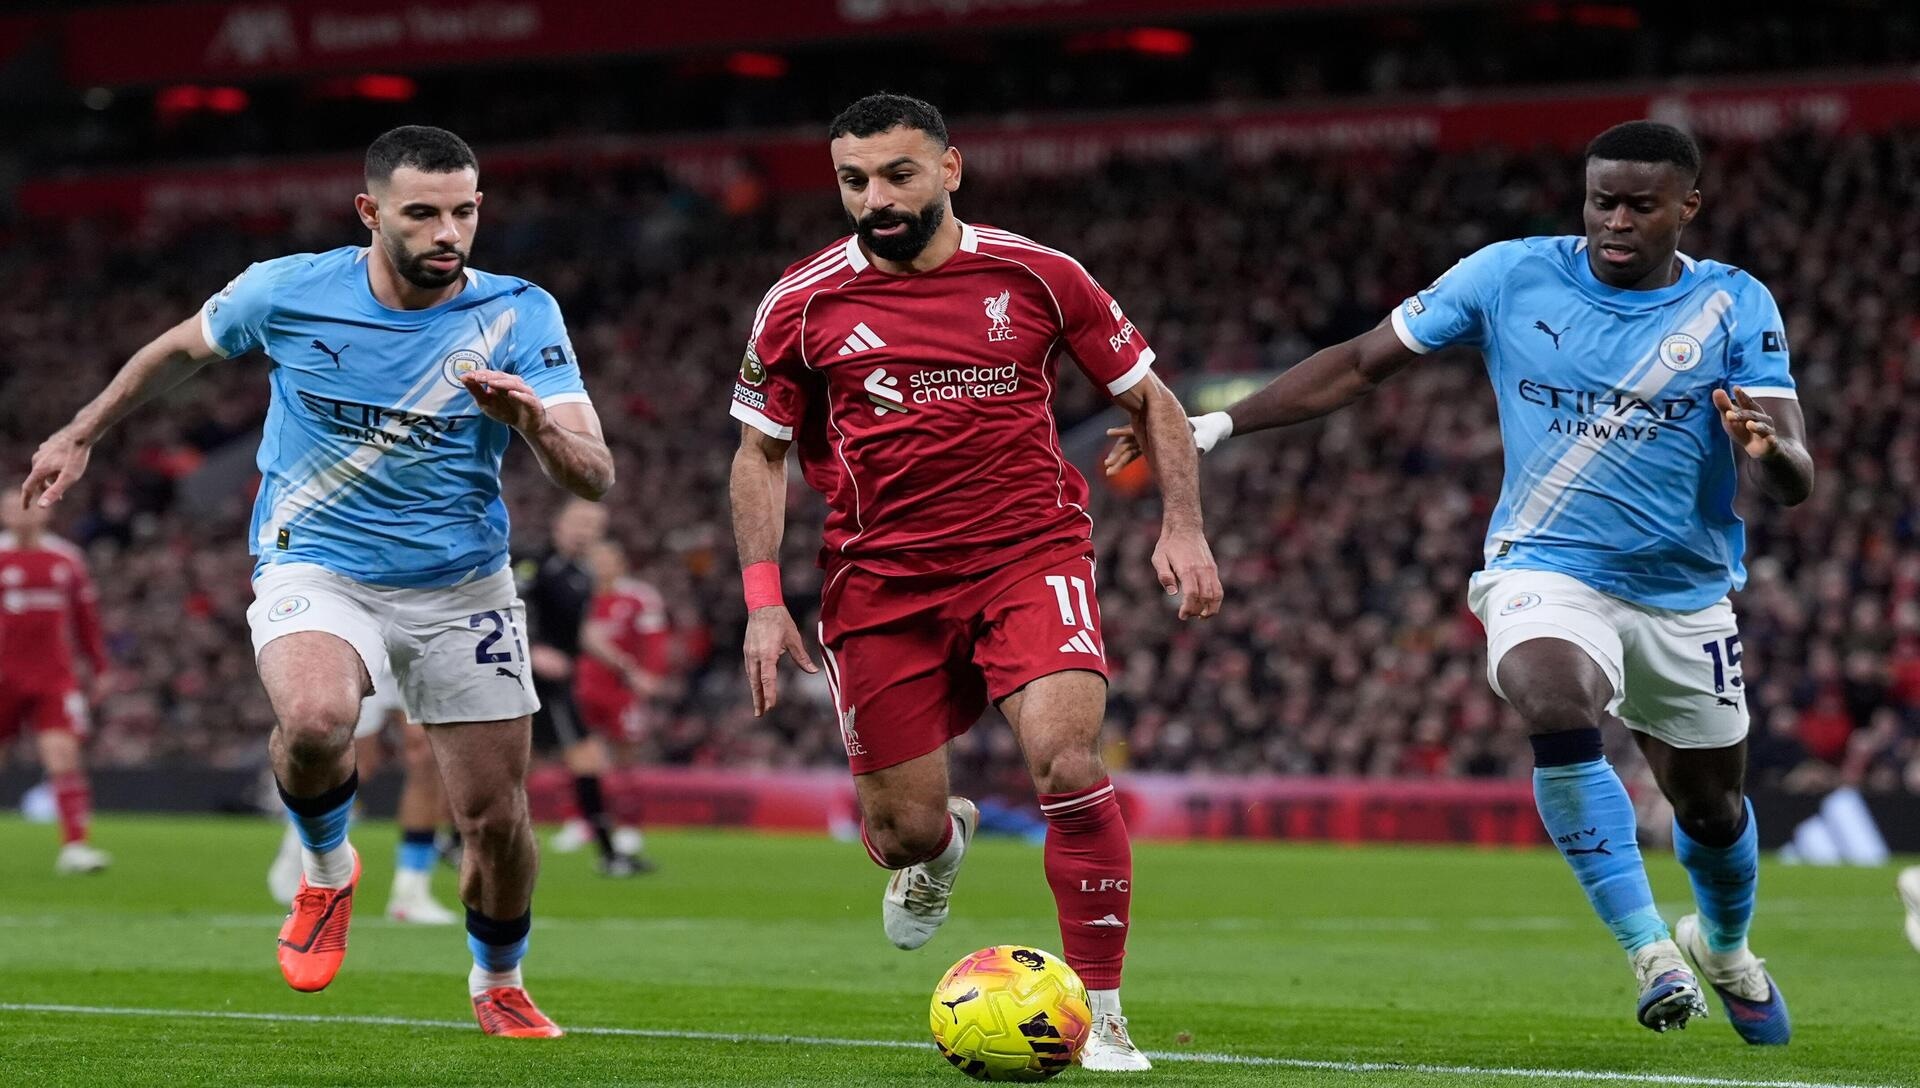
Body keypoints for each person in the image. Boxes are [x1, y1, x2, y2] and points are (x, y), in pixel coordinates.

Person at [1109, 120, 1808, 1043]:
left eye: (1643, 205)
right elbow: (1358, 364)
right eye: (1604, 201)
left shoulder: (1734, 304)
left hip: (1684, 592)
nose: (1618, 221)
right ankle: (1649, 952)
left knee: (1713, 812)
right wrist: (1213, 429)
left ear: (1689, 206)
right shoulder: (1509, 275)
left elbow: (1791, 475)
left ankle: (1724, 947)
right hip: (1545, 568)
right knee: (1554, 699)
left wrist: (1770, 452)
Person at [22, 125, 613, 1038]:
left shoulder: (519, 312)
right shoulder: (290, 289)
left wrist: (533, 424)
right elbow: (178, 349)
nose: (446, 231)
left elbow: (595, 475)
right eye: (422, 213)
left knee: (494, 821)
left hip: (462, 586)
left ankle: (498, 977)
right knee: (313, 719)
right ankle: (329, 874)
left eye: (463, 211)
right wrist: (84, 429)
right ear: (371, 213)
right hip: (317, 559)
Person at [729, 93, 1222, 1072]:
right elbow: (759, 451)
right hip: (880, 582)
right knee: (900, 828)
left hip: (1027, 553)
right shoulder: (802, 300)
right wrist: (760, 600)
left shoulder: (1038, 274)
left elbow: (1150, 398)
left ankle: (1104, 1014)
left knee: (1068, 763)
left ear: (950, 169)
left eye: (898, 174)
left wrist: (1185, 525)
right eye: (853, 181)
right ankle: (937, 849)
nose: (875, 197)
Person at [267, 653, 460, 925]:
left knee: (427, 755)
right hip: (365, 636)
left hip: (416, 631)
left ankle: (410, 892)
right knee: (355, 761)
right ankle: (303, 841)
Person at [517, 499, 651, 875]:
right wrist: (532, 648)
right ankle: (610, 855)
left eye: (593, 525)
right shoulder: (533, 563)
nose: (584, 530)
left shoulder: (582, 574)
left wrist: (624, 665)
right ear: (558, 523)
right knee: (583, 759)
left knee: (522, 766)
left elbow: (583, 632)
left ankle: (457, 839)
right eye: (578, 521)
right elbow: (503, 609)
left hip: (559, 681)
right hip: (529, 678)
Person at [0, 500, 110, 875]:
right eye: (14, 507)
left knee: (63, 757)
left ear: (45, 513)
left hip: (53, 676)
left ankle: (75, 846)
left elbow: (86, 621)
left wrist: (99, 667)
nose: (23, 514)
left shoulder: (66, 559)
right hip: (3, 676)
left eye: (30, 506)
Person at [571, 538, 671, 857]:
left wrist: (650, 675)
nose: (600, 565)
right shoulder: (577, 594)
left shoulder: (638, 597)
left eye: (606, 558)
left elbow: (655, 639)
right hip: (581, 687)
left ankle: (628, 826)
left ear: (620, 563)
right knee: (580, 758)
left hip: (622, 690)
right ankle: (584, 823)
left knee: (626, 759)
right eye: (595, 558)